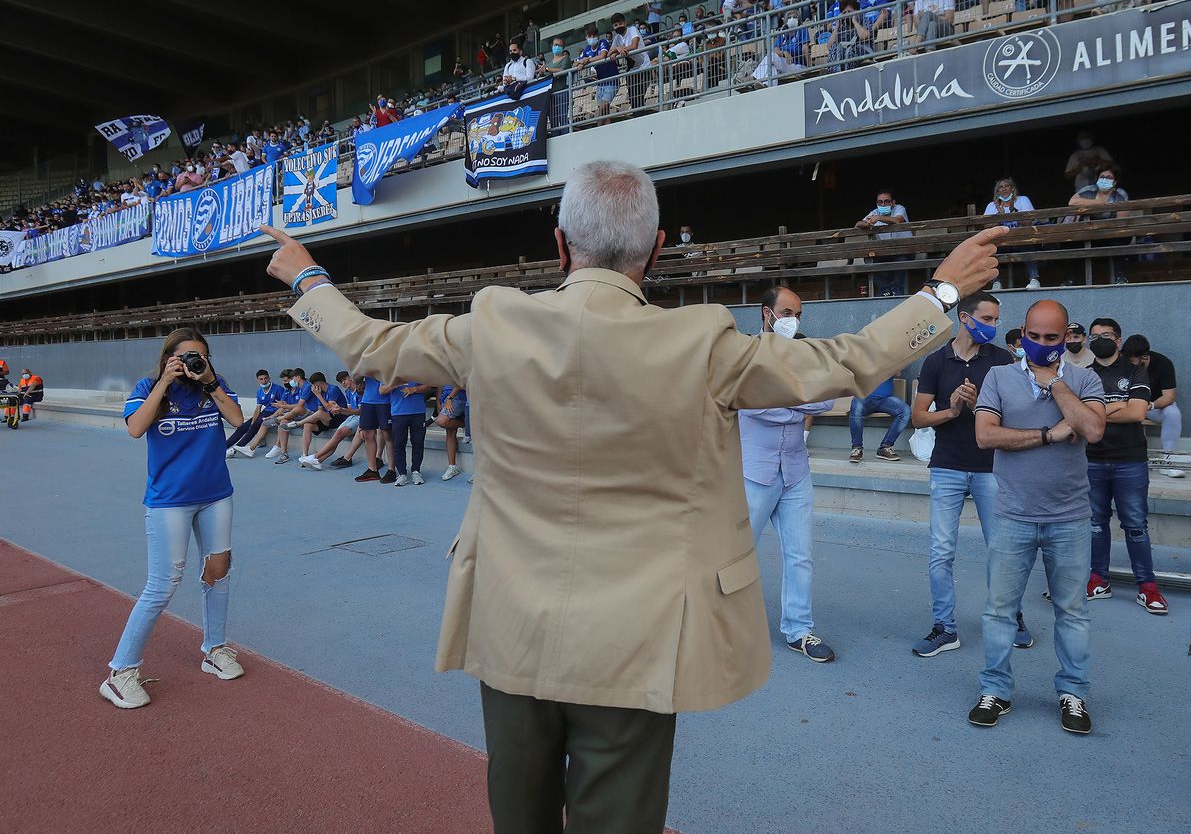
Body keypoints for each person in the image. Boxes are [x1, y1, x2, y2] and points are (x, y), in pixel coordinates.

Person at [259, 160, 1000, 833]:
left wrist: (306, 276)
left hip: (510, 621)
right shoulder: (702, 341)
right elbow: (846, 364)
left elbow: (363, 343)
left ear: (559, 245)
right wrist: (941, 289)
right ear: (656, 248)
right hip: (639, 639)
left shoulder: (491, 324)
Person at [969, 300, 1107, 732]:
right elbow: (986, 435)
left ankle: (1073, 694)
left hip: (1069, 517)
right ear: (1022, 332)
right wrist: (1049, 435)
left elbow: (1094, 430)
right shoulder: (998, 376)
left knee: (1073, 611)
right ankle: (995, 690)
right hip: (1013, 514)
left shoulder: (1084, 377)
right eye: (1035, 336)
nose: (1042, 345)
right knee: (999, 610)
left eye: (1052, 338)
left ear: (1067, 336)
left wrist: (1056, 386)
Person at [101, 328, 246, 709]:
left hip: (216, 496)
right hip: (170, 502)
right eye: (184, 357)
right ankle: (120, 672)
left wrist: (211, 381)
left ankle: (215, 650)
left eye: (200, 356)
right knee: (163, 584)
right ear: (168, 357)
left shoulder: (213, 385)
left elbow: (238, 419)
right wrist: (164, 382)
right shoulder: (149, 385)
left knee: (219, 573)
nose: (192, 363)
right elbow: (135, 428)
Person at [911, 291, 1035, 656]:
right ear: (966, 318)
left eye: (996, 319)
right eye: (989, 319)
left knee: (1002, 549)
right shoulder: (936, 361)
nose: (994, 326)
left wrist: (983, 402)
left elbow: (1020, 413)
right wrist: (950, 410)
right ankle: (944, 628)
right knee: (940, 550)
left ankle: (1011, 616)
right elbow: (918, 418)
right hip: (947, 465)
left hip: (992, 467)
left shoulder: (1003, 360)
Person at [740, 286, 840, 663]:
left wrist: (780, 399)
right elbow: (749, 405)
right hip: (754, 472)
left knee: (801, 555)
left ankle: (799, 630)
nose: (792, 319)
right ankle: (719, 625)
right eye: (785, 311)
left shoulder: (806, 351)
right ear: (766, 312)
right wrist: (799, 402)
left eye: (797, 312)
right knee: (736, 556)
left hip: (796, 471)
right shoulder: (746, 355)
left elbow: (827, 398)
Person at [1083, 318, 1168, 614]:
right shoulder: (1083, 375)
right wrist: (1118, 405)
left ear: (1118, 341)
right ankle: (1098, 580)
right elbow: (1080, 417)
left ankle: (1147, 587)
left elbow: (1136, 412)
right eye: (1094, 336)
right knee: (1095, 524)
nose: (1099, 340)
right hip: (1091, 460)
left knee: (1135, 526)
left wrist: (1098, 412)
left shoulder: (1136, 371)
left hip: (1130, 461)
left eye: (1106, 335)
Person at [1121, 335, 1184, 478]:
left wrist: (1150, 405)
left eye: (1132, 361)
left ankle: (1168, 461)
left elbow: (1169, 396)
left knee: (1173, 412)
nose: (1128, 364)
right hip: (1125, 404)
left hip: (1151, 407)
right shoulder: (1122, 362)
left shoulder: (1163, 363)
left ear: (1144, 357)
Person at [986, 178, 1040, 289]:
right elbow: (985, 226)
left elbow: (1029, 222)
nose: (1004, 188)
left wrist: (1014, 212)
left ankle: (1034, 280)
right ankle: (996, 283)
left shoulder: (1023, 200)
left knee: (1028, 246)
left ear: (1012, 188)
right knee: (990, 250)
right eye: (1000, 187)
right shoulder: (992, 206)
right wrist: (999, 217)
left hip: (1021, 240)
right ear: (997, 192)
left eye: (1007, 186)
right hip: (1001, 242)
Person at [856, 189, 912, 296]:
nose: (883, 204)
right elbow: (857, 224)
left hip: (903, 250)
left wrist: (878, 218)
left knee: (901, 259)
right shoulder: (874, 212)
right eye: (880, 202)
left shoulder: (899, 208)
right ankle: (885, 290)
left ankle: (896, 290)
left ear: (893, 202)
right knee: (870, 259)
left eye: (887, 201)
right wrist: (866, 224)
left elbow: (897, 220)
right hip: (884, 252)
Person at [849, 376, 912, 462]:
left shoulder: (890, 361)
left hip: (885, 399)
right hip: (864, 397)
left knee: (905, 411)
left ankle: (885, 447)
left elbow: (898, 373)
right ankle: (856, 448)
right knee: (856, 408)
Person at [226, 368, 279, 458]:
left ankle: (234, 450)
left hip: (274, 413)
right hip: (265, 412)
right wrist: (252, 422)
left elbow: (283, 405)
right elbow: (257, 409)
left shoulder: (278, 389)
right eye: (261, 379)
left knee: (255, 425)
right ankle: (224, 447)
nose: (264, 381)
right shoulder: (259, 392)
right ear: (257, 380)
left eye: (265, 378)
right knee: (243, 427)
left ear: (269, 378)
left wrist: (254, 423)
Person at [355, 370, 393, 483]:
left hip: (385, 400)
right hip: (367, 400)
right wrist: (360, 372)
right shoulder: (365, 357)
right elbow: (357, 380)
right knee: (367, 434)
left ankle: (392, 470)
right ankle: (372, 470)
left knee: (388, 435)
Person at [389, 380, 429, 486]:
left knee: (418, 442)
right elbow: (382, 390)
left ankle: (416, 471)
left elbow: (428, 386)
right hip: (398, 412)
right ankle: (402, 474)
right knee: (398, 444)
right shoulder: (392, 371)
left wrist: (414, 389)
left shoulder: (417, 369)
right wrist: (394, 384)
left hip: (418, 412)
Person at [575, 25, 619, 120]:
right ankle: (605, 129)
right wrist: (581, 63)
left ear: (597, 36)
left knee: (602, 107)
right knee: (604, 111)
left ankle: (600, 127)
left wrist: (587, 60)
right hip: (600, 84)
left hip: (612, 81)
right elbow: (576, 63)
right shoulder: (587, 49)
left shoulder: (603, 42)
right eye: (589, 36)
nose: (591, 38)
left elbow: (603, 55)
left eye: (593, 36)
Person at [269, 368, 311, 464]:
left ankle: (280, 418)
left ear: (298, 377)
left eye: (292, 379)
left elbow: (300, 406)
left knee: (296, 409)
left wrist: (283, 406)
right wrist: (282, 406)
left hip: (310, 413)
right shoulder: (299, 387)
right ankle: (284, 453)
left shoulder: (307, 386)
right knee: (283, 423)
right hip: (298, 414)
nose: (291, 381)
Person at [439, 384, 469, 481]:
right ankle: (452, 466)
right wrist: (438, 400)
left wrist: (450, 397)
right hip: (446, 397)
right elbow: (440, 381)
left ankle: (465, 424)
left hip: (457, 397)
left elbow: (460, 380)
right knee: (450, 431)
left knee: (442, 420)